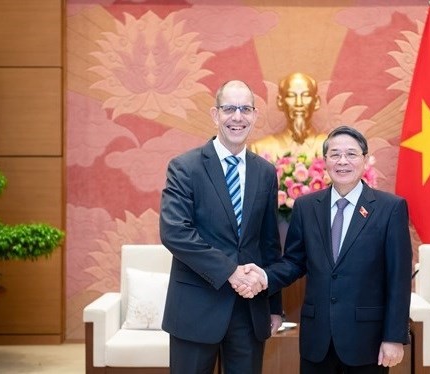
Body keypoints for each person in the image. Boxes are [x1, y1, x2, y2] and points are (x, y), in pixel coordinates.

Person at [241, 126, 412, 373]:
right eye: (335, 154)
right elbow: (293, 262)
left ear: (365, 160)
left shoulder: (389, 208)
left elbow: (399, 278)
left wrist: (394, 337)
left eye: (351, 154)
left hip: (367, 340)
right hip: (316, 339)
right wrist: (264, 276)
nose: (343, 161)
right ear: (325, 162)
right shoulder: (306, 206)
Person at [159, 80, 284, 374]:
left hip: (249, 311)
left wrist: (274, 305)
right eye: (229, 109)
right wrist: (230, 270)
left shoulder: (265, 173)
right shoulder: (185, 167)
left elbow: (269, 244)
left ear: (254, 115)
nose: (237, 117)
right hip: (195, 308)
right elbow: (175, 232)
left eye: (244, 109)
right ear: (215, 115)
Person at [250, 72, 326, 157]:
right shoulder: (260, 149)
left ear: (316, 102)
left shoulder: (332, 148)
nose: (299, 103)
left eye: (306, 95)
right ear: (280, 102)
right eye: (291, 96)